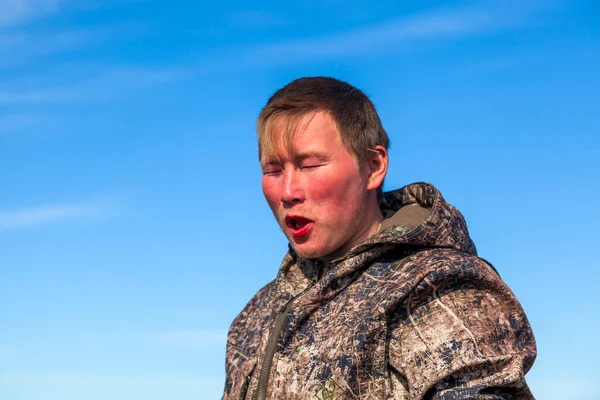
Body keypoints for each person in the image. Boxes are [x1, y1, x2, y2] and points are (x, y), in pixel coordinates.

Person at [222, 77, 536, 400]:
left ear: (374, 166)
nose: (287, 192)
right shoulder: (253, 317)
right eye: (273, 170)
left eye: (311, 165)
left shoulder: (440, 287)